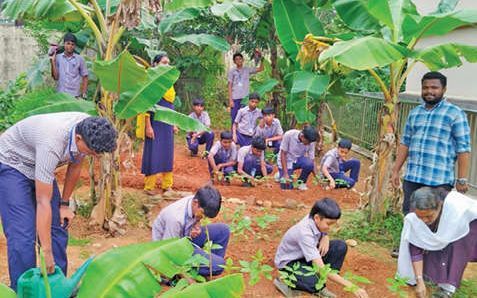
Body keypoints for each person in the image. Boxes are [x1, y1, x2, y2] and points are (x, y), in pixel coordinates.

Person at [0, 112, 117, 290]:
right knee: (22, 235)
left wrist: (64, 204)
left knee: (57, 227)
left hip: (40, 164)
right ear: (78, 138)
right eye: (92, 152)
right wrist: (45, 251)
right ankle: (25, 290)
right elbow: (42, 202)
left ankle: (56, 288)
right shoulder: (52, 142)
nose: (94, 156)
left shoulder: (88, 127)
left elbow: (76, 163)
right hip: (13, 164)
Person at [391, 71, 471, 215]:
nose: (429, 91)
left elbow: (463, 149)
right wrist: (396, 170)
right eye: (425, 87)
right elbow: (405, 143)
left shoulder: (455, 114)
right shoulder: (415, 113)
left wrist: (462, 179)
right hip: (412, 178)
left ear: (443, 89)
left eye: (434, 88)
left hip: (438, 181)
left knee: (433, 221)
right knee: (410, 217)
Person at [274, 198, 369, 298]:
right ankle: (284, 282)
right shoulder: (304, 233)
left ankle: (320, 284)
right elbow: (321, 268)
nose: (331, 228)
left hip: (305, 256)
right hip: (289, 263)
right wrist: (352, 287)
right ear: (317, 218)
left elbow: (323, 229)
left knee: (340, 246)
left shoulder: (314, 216)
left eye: (333, 224)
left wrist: (325, 235)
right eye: (329, 224)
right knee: (315, 283)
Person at [397, 187, 477, 298]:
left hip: (468, 226)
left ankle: (448, 287)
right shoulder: (414, 215)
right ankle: (431, 276)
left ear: (439, 206)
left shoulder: (455, 210)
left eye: (429, 216)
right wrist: (419, 281)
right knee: (433, 242)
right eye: (420, 217)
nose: (424, 221)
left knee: (455, 248)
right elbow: (415, 246)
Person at [151, 185, 230, 277]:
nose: (204, 218)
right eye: (203, 214)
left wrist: (196, 225)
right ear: (196, 203)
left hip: (184, 238)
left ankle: (208, 267)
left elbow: (191, 221)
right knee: (219, 265)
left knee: (223, 230)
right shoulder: (175, 218)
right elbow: (169, 252)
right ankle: (185, 274)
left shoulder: (194, 201)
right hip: (171, 248)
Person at [141, 53, 178, 196]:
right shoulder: (151, 81)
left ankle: (167, 186)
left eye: (168, 62)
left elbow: (171, 105)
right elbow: (146, 106)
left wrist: (174, 123)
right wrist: (148, 126)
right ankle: (149, 187)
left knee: (167, 153)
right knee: (153, 152)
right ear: (155, 64)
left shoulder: (169, 82)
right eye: (164, 62)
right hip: (154, 122)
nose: (167, 65)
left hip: (167, 122)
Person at [228, 51, 264, 125]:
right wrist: (230, 100)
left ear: (243, 60)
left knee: (244, 118)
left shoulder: (247, 69)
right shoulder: (232, 71)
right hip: (235, 98)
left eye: (240, 59)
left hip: (245, 98)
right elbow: (229, 85)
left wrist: (261, 58)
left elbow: (261, 69)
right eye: (236, 59)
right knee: (234, 118)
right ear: (234, 61)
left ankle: (242, 135)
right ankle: (233, 135)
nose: (238, 60)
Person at [277, 126, 318, 191]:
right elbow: (283, 154)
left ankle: (301, 183)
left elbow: (312, 159)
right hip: (286, 161)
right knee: (287, 187)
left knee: (309, 164)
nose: (309, 144)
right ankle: (281, 174)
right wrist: (285, 174)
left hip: (298, 160)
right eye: (308, 142)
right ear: (302, 136)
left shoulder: (310, 141)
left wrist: (318, 178)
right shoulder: (289, 135)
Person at [49, 32, 89, 98]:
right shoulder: (58, 58)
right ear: (64, 44)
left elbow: (85, 77)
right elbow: (56, 77)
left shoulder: (80, 59)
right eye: (68, 43)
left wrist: (83, 93)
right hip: (61, 94)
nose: (70, 46)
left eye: (72, 44)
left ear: (75, 46)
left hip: (75, 95)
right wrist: (52, 61)